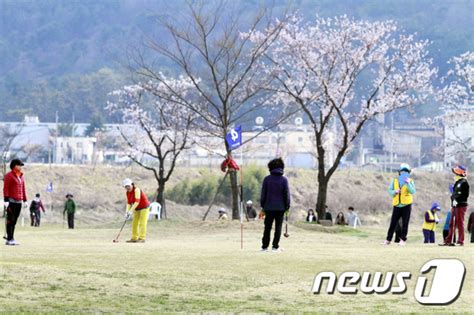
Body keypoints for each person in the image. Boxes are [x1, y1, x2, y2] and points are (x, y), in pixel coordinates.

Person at [260, 157, 291, 252]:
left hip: (268, 207)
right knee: (278, 228)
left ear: (270, 167)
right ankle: (275, 247)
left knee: (267, 227)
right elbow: (286, 194)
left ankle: (264, 247)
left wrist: (263, 206)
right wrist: (287, 206)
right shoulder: (284, 180)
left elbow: (263, 194)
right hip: (281, 208)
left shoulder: (267, 179)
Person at [383, 163, 416, 246]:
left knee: (405, 223)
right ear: (400, 172)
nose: (404, 172)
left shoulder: (410, 181)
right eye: (402, 171)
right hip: (397, 205)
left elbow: (412, 191)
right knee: (393, 223)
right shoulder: (395, 181)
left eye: (406, 171)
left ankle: (403, 240)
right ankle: (388, 240)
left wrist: (408, 183)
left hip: (407, 205)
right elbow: (390, 191)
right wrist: (395, 191)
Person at [442, 165, 470, 246]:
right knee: (451, 223)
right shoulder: (457, 182)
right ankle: (448, 240)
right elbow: (454, 194)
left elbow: (465, 196)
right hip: (454, 205)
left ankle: (460, 241)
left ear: (460, 173)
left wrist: (457, 200)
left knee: (459, 223)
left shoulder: (464, 183)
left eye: (456, 173)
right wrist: (453, 199)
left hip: (461, 205)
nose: (455, 175)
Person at [3, 159, 28, 245]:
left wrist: (25, 200)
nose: (21, 167)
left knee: (14, 221)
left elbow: (23, 189)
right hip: (11, 201)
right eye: (19, 165)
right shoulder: (9, 176)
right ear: (15, 166)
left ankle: (11, 238)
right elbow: (5, 188)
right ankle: (9, 239)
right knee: (10, 220)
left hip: (19, 201)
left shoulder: (21, 176)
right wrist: (6, 200)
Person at [123, 178, 150, 243]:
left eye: (128, 186)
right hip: (137, 208)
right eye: (126, 187)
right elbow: (129, 203)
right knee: (134, 223)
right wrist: (127, 212)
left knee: (142, 223)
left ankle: (142, 238)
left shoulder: (136, 190)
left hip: (144, 207)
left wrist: (130, 211)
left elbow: (137, 202)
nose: (127, 188)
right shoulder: (127, 193)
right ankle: (134, 238)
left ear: (132, 184)